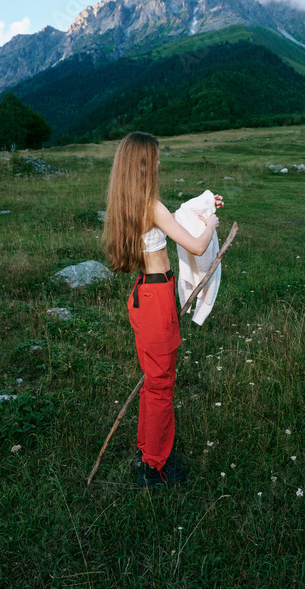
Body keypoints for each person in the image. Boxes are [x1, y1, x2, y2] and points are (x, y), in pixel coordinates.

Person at [101, 132, 223, 487]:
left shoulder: (128, 202)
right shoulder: (150, 205)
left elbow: (177, 218)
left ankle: (147, 450)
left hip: (147, 293)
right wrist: (212, 222)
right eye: (154, 158)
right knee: (160, 385)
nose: (158, 163)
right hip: (156, 298)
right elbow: (197, 246)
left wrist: (203, 206)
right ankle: (154, 465)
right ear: (142, 163)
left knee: (153, 382)